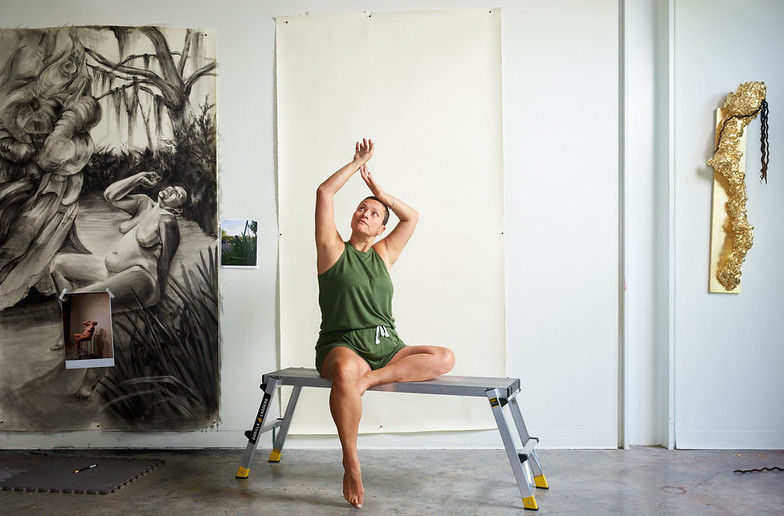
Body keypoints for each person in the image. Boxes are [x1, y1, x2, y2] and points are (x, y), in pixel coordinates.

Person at [315, 138, 455, 508]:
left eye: (374, 214)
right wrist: (356, 163)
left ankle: (370, 381)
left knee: (444, 357)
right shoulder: (332, 249)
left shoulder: (384, 252)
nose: (366, 213)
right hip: (342, 345)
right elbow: (324, 193)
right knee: (345, 369)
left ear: (380, 229)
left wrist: (380, 192)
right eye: (362, 208)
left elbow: (412, 217)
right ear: (352, 217)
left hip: (387, 347)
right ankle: (351, 462)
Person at [50, 171, 185, 309]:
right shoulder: (145, 203)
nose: (172, 189)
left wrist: (160, 296)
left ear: (178, 210)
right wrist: (139, 178)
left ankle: (80, 315)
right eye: (173, 187)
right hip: (111, 270)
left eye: (177, 194)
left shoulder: (168, 221)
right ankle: (75, 318)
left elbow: (165, 261)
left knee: (78, 300)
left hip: (140, 277)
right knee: (58, 265)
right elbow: (110, 195)